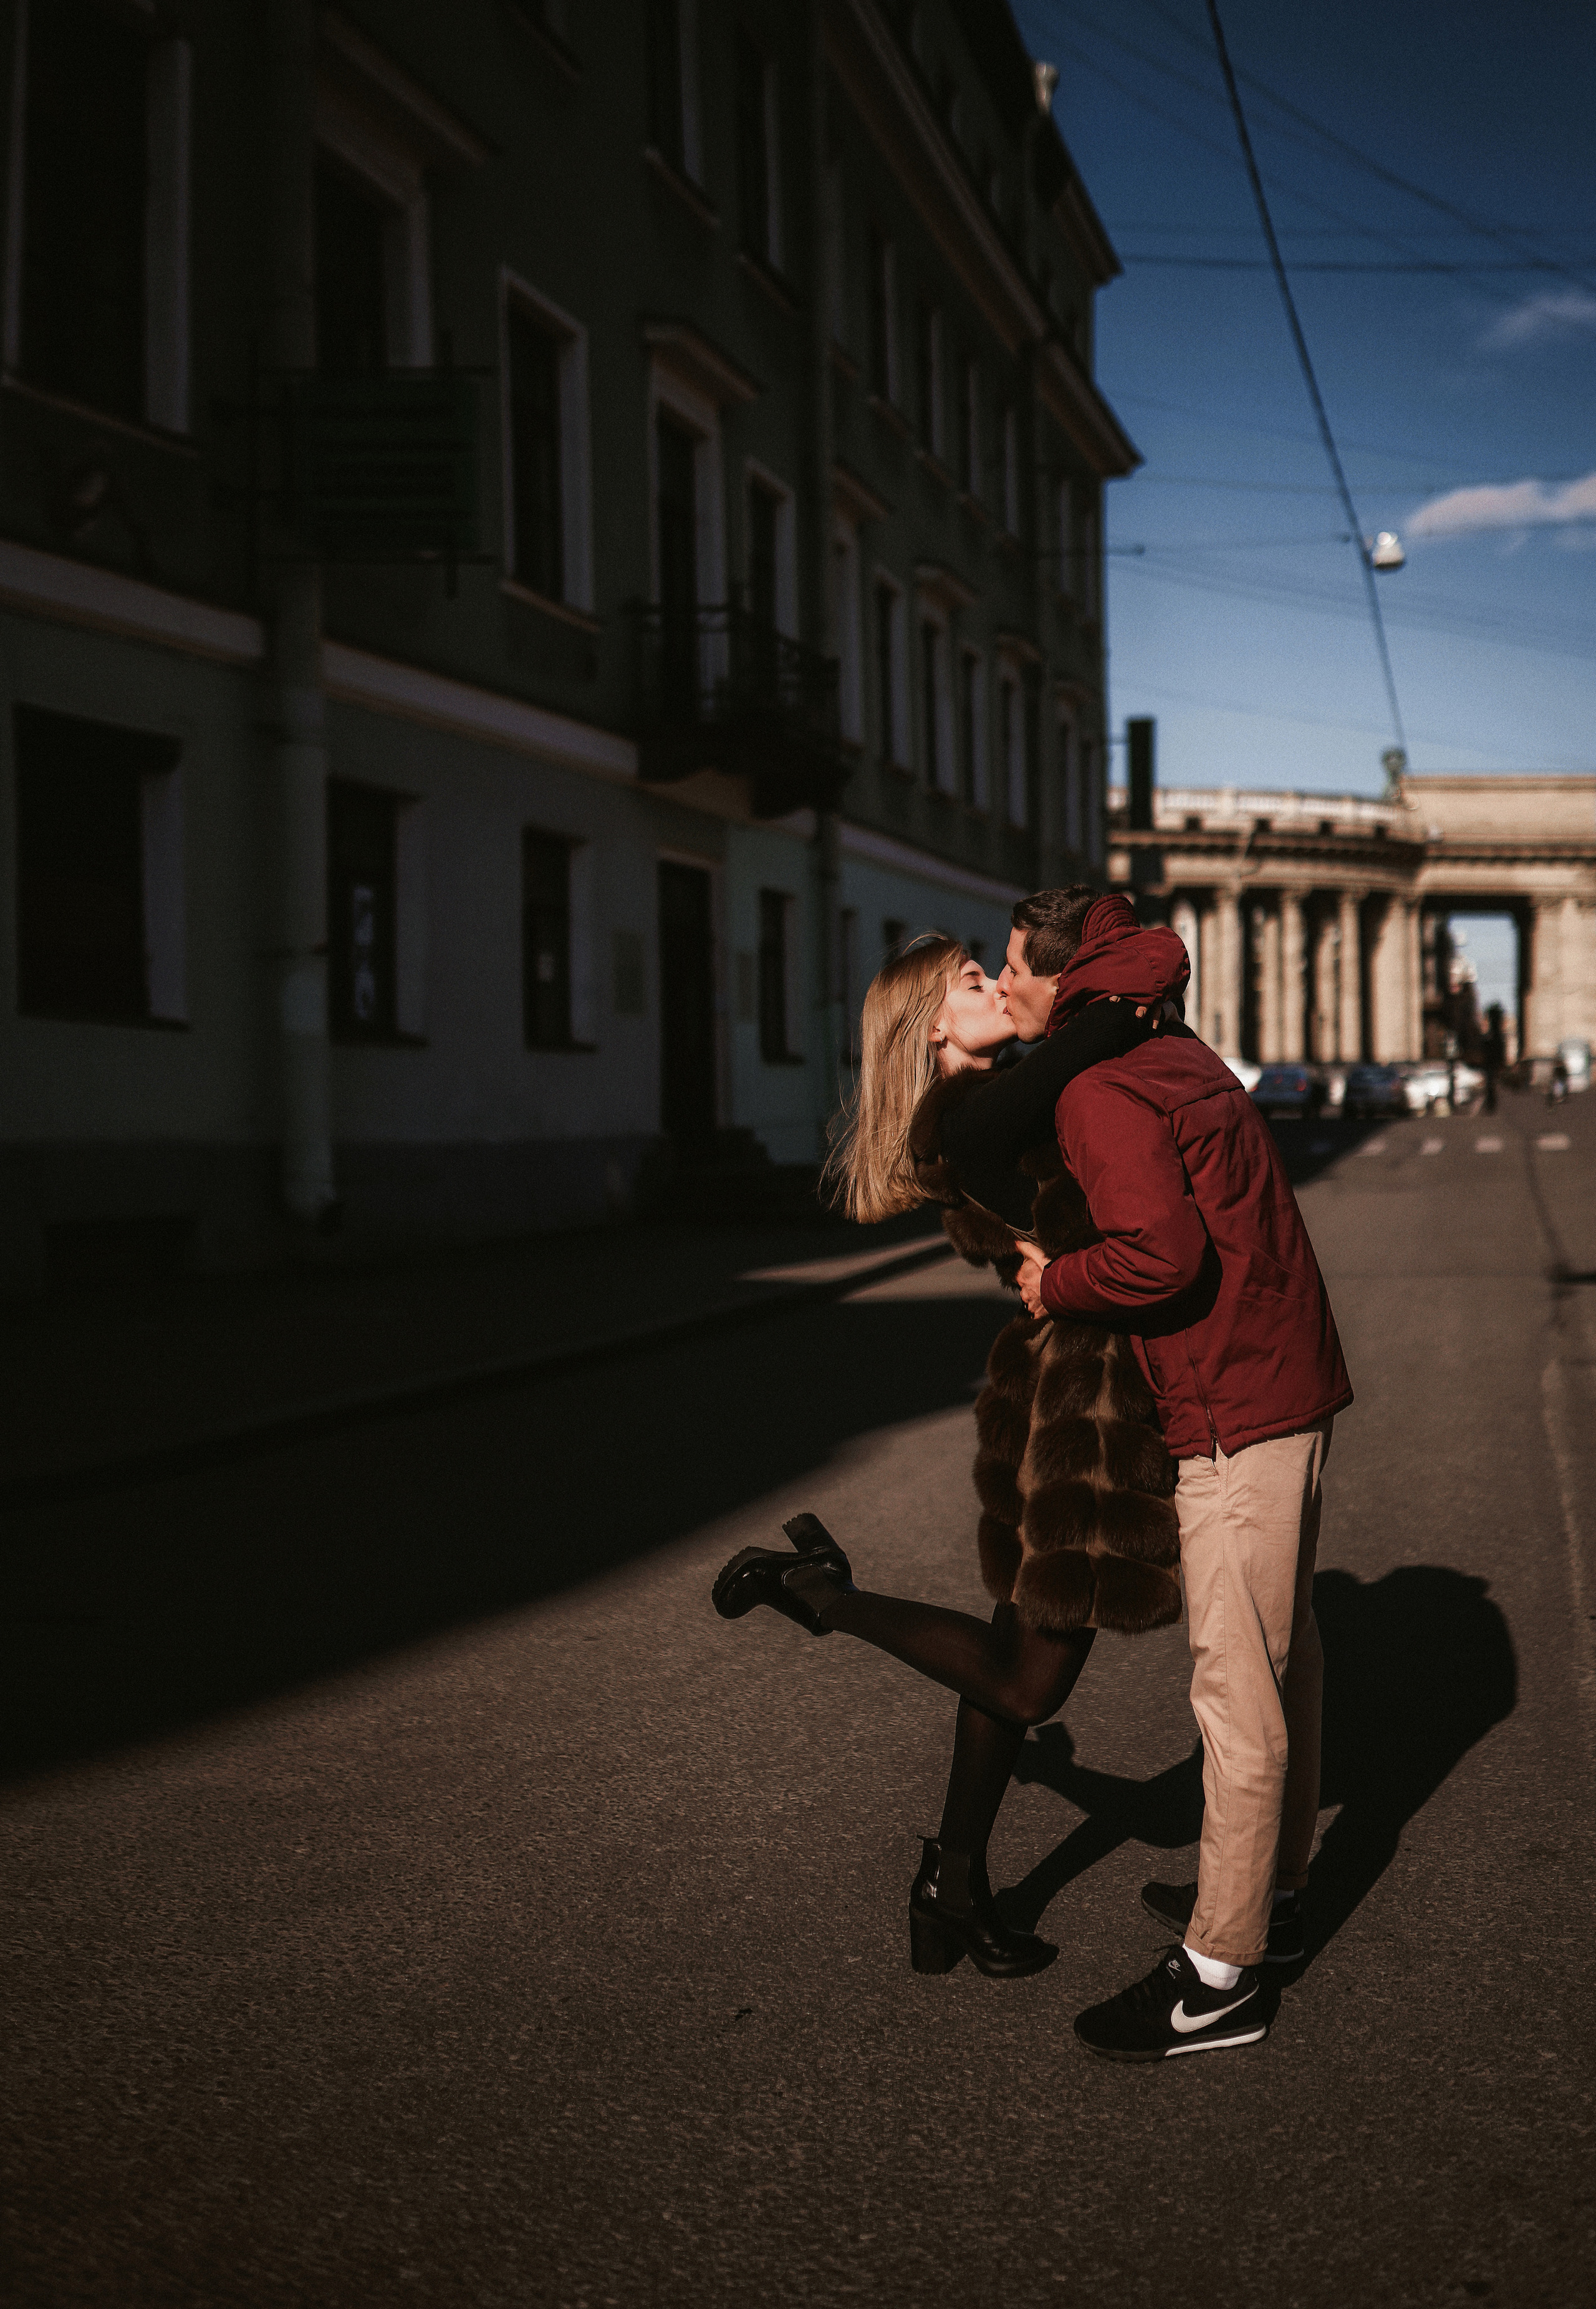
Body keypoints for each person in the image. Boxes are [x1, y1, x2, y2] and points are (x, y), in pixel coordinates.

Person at [711, 930, 1190, 1981]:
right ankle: (820, 1593)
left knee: (1011, 1667)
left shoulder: (1004, 1097)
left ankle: (954, 1886)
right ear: (932, 1024)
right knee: (1030, 1687)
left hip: (1061, 1397)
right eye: (976, 981)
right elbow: (1091, 1118)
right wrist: (1119, 994)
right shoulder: (966, 1120)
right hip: (1081, 1417)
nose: (1000, 988)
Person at [1001, 889, 1353, 2062]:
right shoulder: (1175, 1048)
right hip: (1287, 1381)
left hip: (1234, 1408)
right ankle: (1277, 1898)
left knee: (1234, 1695)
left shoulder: (1099, 1088)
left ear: (1063, 984)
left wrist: (1055, 1284)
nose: (1003, 991)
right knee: (1285, 1658)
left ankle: (1218, 1977)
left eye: (1013, 972)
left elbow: (1160, 1256)